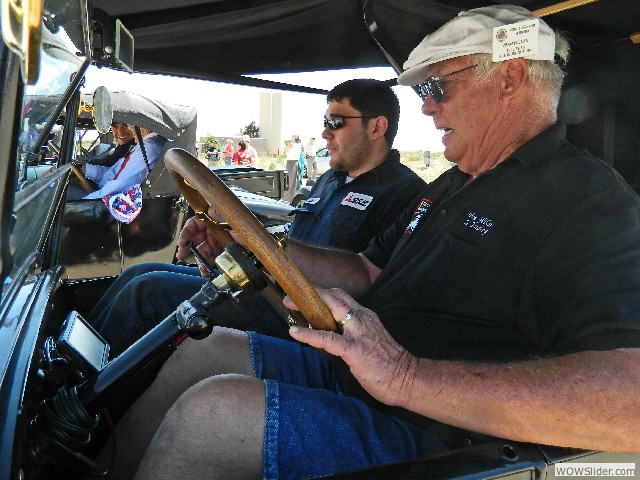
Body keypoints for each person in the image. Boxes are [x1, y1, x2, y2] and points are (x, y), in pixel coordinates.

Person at [112, 5, 640, 479]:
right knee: (196, 353)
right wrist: (253, 240)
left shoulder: (587, 201)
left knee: (210, 413)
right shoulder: (453, 184)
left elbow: (629, 402)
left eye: (437, 88)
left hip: (436, 432)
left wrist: (406, 376)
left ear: (512, 76)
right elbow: (368, 273)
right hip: (365, 373)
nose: (427, 108)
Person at [89, 78, 425, 358]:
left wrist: (250, 237)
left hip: (303, 321)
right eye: (325, 122)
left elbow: (377, 287)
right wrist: (227, 237)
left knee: (146, 292)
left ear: (377, 127)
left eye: (336, 122)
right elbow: (297, 238)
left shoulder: (404, 195)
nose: (325, 133)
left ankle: (75, 403)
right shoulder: (331, 180)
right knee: (141, 271)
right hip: (270, 291)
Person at [79, 125, 166, 200]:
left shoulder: (148, 147)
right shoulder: (145, 145)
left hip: (110, 201)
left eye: (132, 126)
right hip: (103, 191)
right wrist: (86, 170)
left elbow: (118, 186)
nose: (130, 129)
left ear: (144, 125)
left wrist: (82, 204)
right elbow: (114, 172)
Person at [283, 134, 302, 202]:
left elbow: (285, 152)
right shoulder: (299, 145)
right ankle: (292, 197)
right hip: (295, 162)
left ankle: (289, 198)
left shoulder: (291, 144)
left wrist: (286, 147)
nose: (292, 138)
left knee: (291, 180)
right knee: (294, 180)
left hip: (291, 162)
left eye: (293, 137)